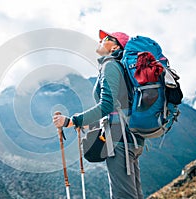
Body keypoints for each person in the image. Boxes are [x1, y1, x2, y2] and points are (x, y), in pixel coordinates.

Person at [53, 29, 145, 199]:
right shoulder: (119, 68)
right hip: (130, 137)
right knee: (134, 194)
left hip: (120, 139)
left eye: (107, 38)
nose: (101, 40)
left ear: (115, 47)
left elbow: (107, 106)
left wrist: (72, 121)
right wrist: (92, 124)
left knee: (123, 195)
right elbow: (120, 107)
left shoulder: (110, 66)